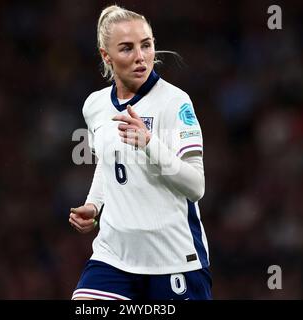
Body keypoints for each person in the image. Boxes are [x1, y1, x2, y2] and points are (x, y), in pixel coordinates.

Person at [69, 5, 211, 300]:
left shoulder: (174, 103)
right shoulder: (95, 106)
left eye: (146, 45)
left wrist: (149, 144)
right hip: (114, 256)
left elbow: (196, 187)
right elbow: (108, 164)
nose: (140, 56)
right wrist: (94, 205)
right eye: (126, 48)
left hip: (172, 258)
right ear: (106, 56)